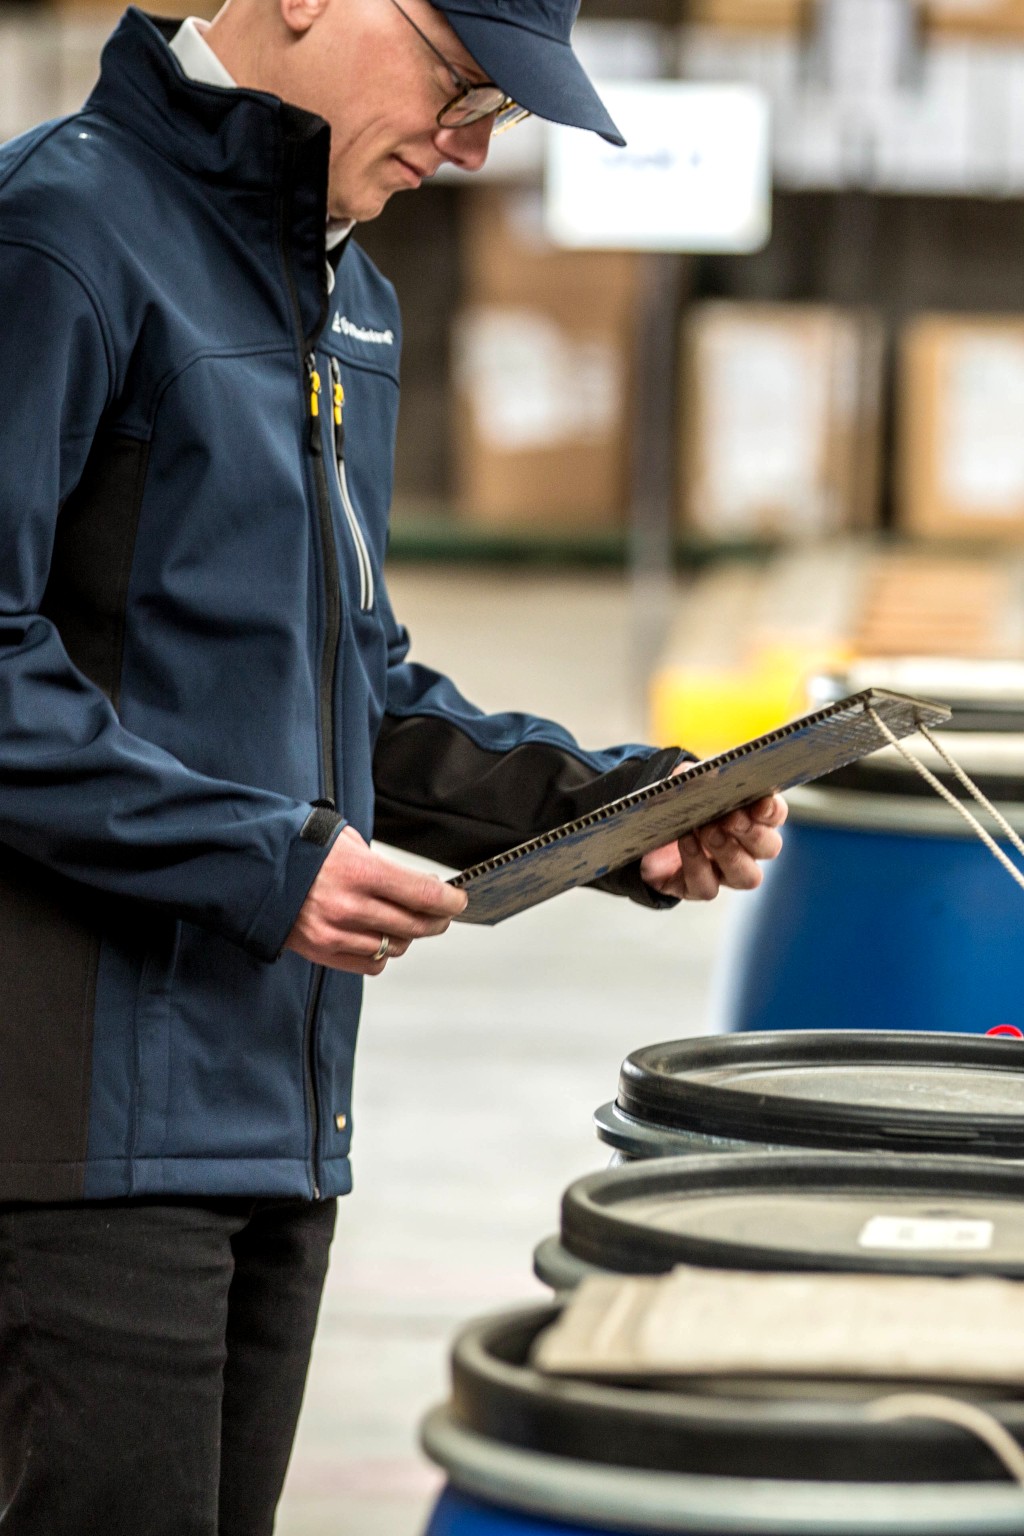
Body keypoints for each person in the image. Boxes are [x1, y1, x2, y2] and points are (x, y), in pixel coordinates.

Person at [0, 0, 787, 1530]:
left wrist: (608, 807)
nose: (471, 146)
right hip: (83, 1136)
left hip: (279, 1116)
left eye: (501, 111)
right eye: (461, 85)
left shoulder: (345, 296)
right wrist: (265, 865)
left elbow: (345, 685)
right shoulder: (59, 238)